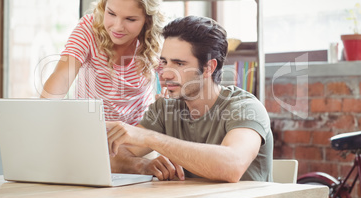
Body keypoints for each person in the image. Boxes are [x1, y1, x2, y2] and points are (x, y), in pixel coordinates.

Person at [106, 15, 273, 182]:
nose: (165, 73)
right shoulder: (165, 108)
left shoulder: (246, 108)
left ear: (209, 67)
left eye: (179, 64)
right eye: (164, 62)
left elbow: (232, 166)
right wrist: (141, 165)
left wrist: (151, 138)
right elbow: (113, 154)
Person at [40, 0, 164, 126]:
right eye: (111, 13)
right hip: (89, 130)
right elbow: (63, 75)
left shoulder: (158, 40)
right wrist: (41, 117)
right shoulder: (88, 29)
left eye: (130, 19)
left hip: (137, 135)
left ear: (148, 20)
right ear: (103, 6)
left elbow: (173, 90)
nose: (118, 27)